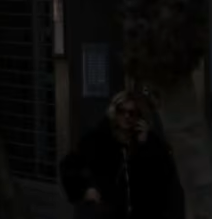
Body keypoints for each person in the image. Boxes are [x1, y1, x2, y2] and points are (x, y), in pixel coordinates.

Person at [60, 90, 185, 218]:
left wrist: (146, 145)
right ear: (114, 112)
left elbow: (165, 177)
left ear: (139, 116)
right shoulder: (98, 139)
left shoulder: (150, 142)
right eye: (121, 111)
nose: (126, 116)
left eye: (132, 113)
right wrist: (83, 191)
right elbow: (69, 166)